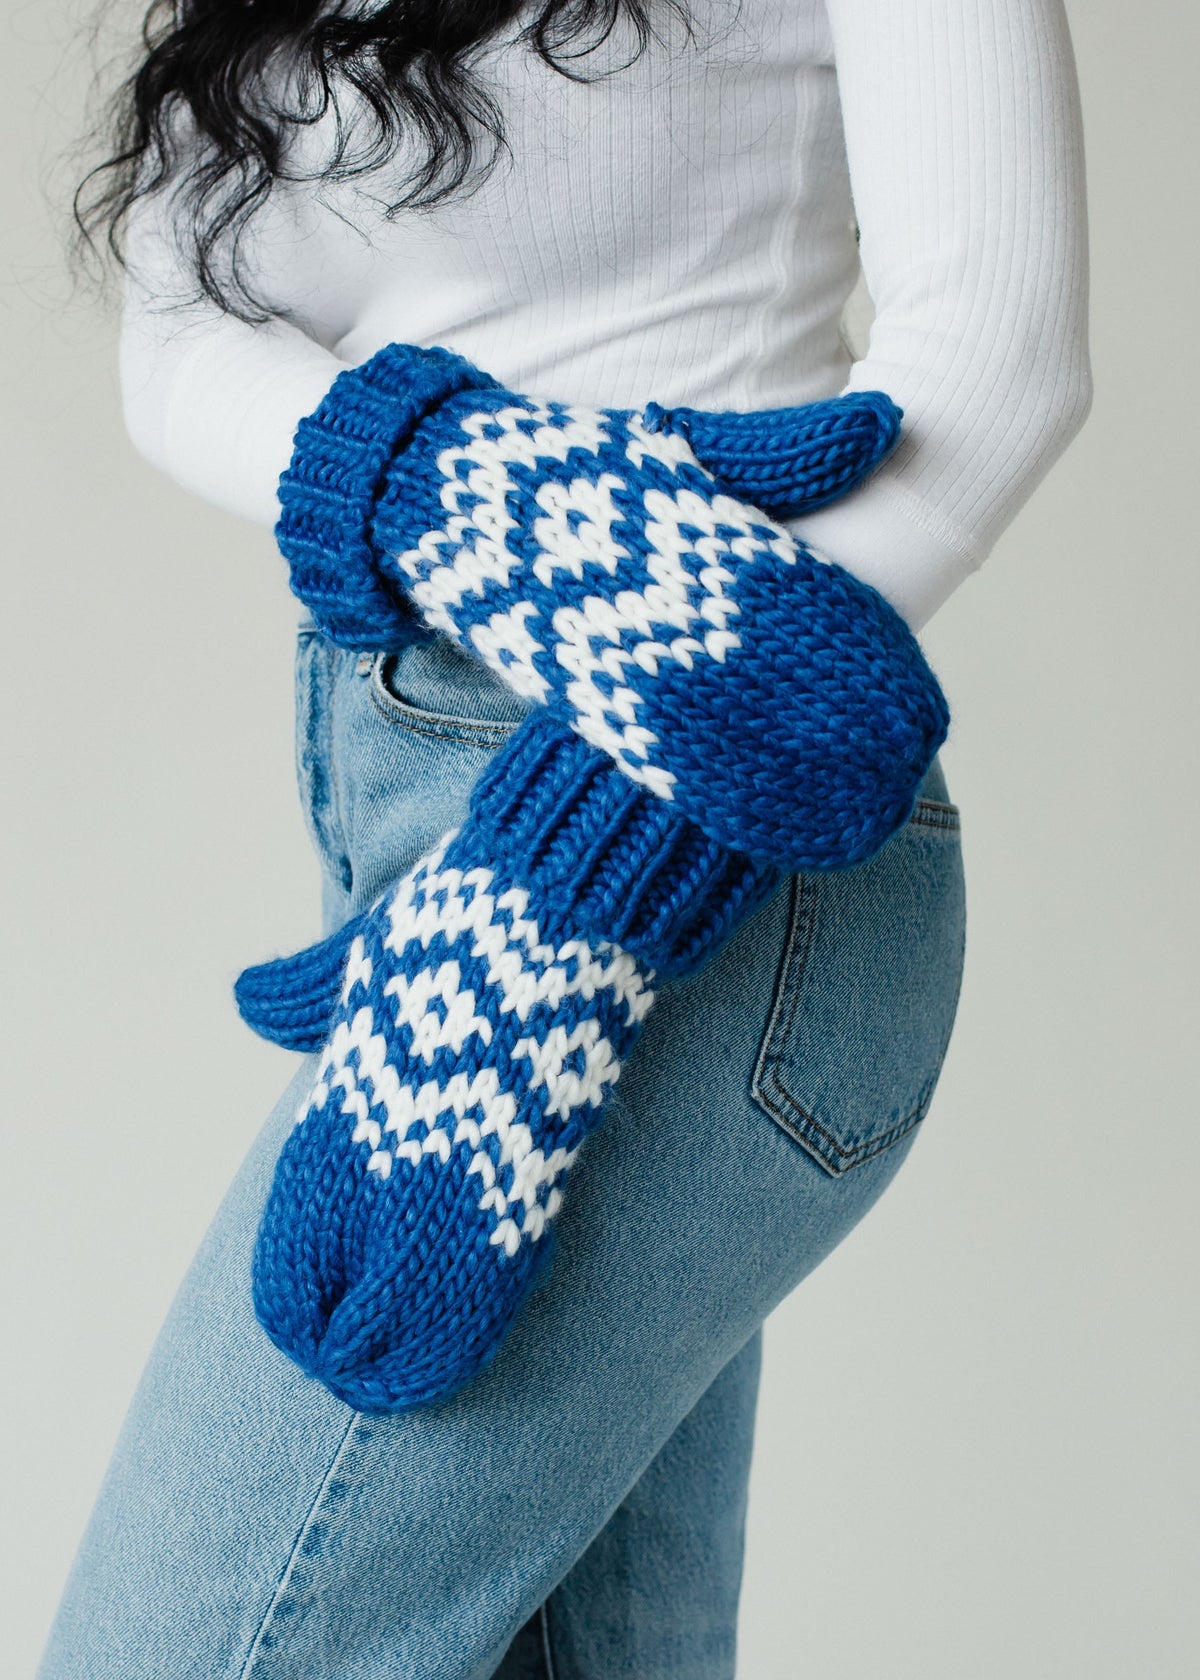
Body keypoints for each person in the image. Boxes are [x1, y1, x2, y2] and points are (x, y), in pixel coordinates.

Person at [39, 0, 1091, 1674]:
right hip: (414, 804)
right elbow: (179, 335)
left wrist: (616, 803)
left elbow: (1000, 354)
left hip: (710, 863)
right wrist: (439, 475)